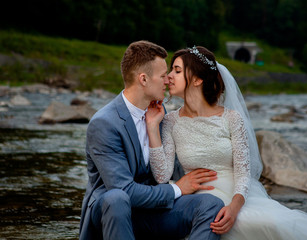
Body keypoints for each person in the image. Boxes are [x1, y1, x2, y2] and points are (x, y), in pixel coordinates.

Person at [146, 46, 307, 240]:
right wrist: (152, 127)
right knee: (214, 222)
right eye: (171, 70)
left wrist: (233, 208)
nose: (169, 77)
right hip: (198, 200)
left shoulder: (231, 118)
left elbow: (243, 172)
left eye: (177, 70)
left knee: (276, 225)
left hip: (237, 197)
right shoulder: (170, 121)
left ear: (198, 80)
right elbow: (162, 175)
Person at [79, 41, 225, 240]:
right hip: (112, 214)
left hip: (149, 212)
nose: (168, 80)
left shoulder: (160, 114)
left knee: (211, 204)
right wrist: (177, 188)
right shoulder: (105, 123)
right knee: (117, 198)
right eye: (163, 75)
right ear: (144, 79)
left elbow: (170, 168)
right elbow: (124, 190)